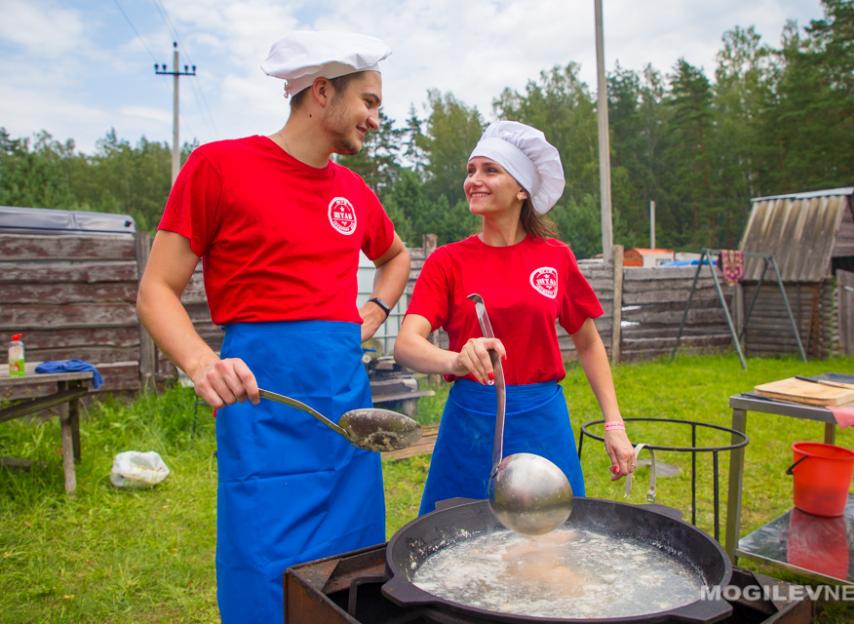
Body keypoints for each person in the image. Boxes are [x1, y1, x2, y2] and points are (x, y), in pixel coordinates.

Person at [136, 30, 411, 623]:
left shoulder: (355, 192)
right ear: (320, 93)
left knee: (353, 571)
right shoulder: (219, 166)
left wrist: (375, 313)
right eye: (368, 101)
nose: (375, 118)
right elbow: (156, 291)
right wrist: (201, 362)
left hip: (344, 415)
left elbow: (396, 256)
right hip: (262, 405)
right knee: (262, 567)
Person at [393, 121, 635, 516]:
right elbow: (407, 343)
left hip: (542, 419)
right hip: (470, 422)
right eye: (471, 171)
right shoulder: (448, 261)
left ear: (522, 188)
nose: (474, 180)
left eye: (490, 170)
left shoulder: (555, 258)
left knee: (551, 539)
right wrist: (455, 360)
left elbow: (589, 343)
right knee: (457, 544)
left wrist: (614, 424)